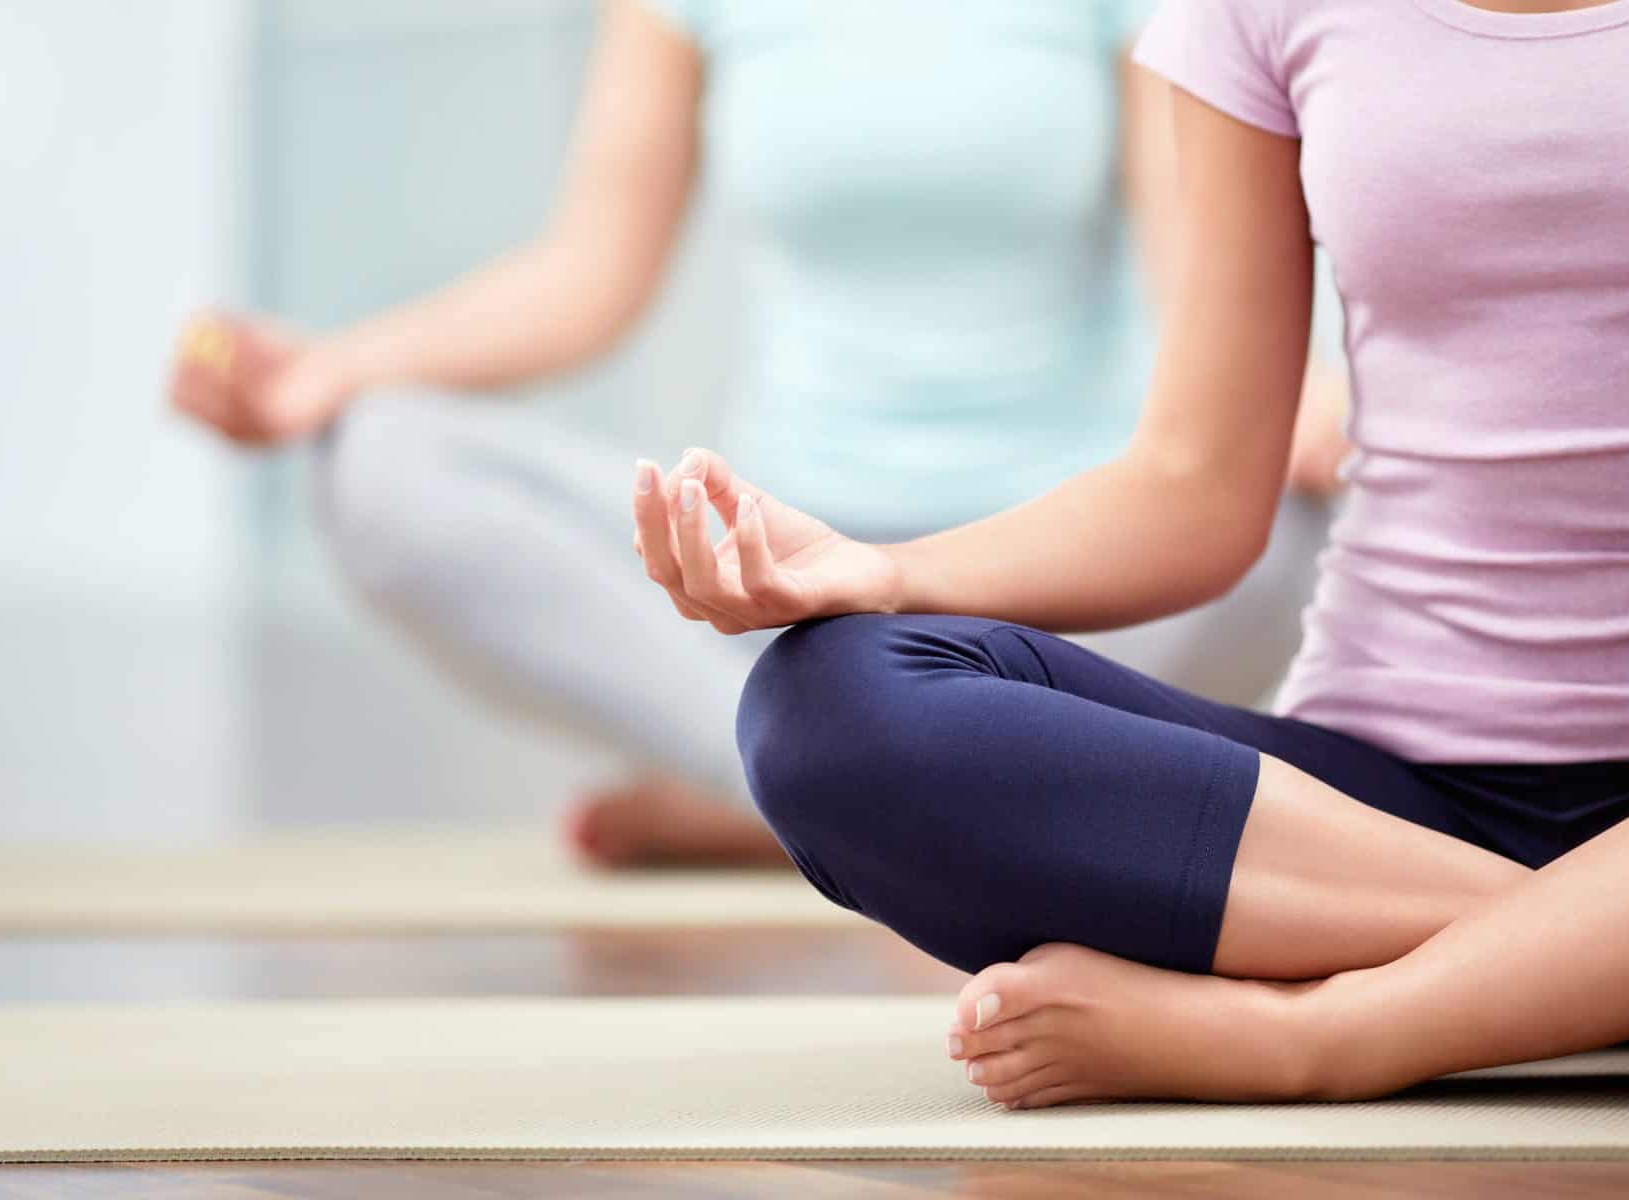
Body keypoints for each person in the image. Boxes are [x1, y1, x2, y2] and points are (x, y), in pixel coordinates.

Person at [629, 0, 1629, 1107]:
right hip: (1379, 816)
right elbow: (1194, 491)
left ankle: (1326, 1032)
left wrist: (1317, 1033)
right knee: (829, 708)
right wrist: (887, 575)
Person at [169, 0, 1351, 868]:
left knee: (1281, 528)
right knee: (384, 465)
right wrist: (324, 375)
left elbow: (1191, 281)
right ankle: (846, 782)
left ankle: (802, 787)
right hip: (784, 579)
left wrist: (1342, 423)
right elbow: (587, 278)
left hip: (1066, 577)